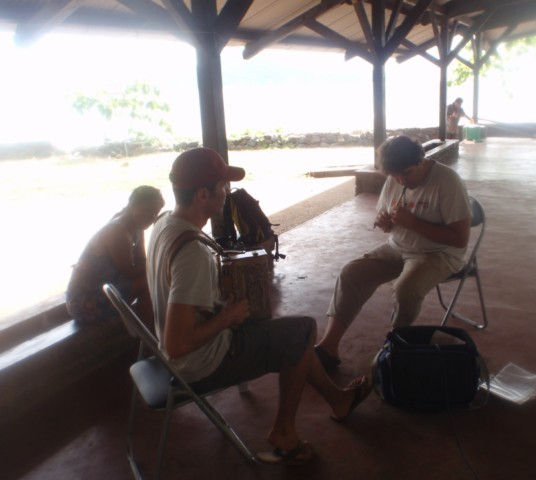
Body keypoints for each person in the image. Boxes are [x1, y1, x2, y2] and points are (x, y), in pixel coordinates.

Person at [146, 147, 370, 466]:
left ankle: (339, 400)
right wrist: (228, 317)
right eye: (222, 186)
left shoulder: (164, 225)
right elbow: (177, 344)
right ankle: (284, 433)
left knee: (293, 336)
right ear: (203, 195)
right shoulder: (193, 253)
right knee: (304, 330)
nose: (227, 192)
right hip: (200, 364)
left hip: (174, 356)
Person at [315, 136, 471, 371]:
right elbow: (390, 220)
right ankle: (329, 346)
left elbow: (460, 239)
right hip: (398, 247)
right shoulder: (396, 179)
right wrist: (386, 222)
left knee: (405, 290)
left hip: (439, 254)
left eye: (406, 173)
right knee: (352, 273)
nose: (401, 180)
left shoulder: (447, 181)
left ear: (421, 160)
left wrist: (413, 223)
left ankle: (395, 348)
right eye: (395, 176)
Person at [66, 185, 164, 326]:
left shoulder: (135, 226)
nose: (151, 218)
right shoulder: (117, 231)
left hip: (104, 290)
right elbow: (130, 272)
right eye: (148, 211)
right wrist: (160, 265)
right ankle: (149, 335)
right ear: (133, 205)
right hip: (84, 301)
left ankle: (149, 334)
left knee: (153, 278)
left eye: (155, 214)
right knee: (150, 281)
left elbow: (141, 261)